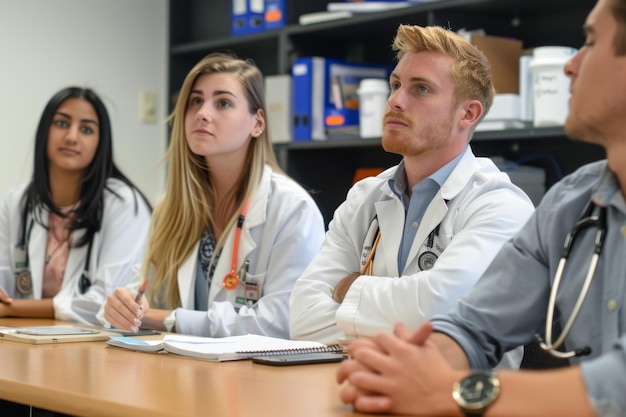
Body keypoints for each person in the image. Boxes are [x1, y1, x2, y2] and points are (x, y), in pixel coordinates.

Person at [336, 0, 626, 415]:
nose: (569, 65)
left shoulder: (501, 202)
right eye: (396, 84)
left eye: (591, 42)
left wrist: (454, 390)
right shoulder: (569, 204)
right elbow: (473, 325)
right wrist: (406, 373)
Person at [288, 24, 535, 367]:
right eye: (396, 85)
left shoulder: (499, 205)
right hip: (359, 393)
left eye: (420, 89)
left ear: (469, 113)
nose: (395, 101)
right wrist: (408, 314)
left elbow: (442, 308)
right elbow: (302, 317)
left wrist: (348, 289)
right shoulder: (364, 197)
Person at [102, 52, 325, 338]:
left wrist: (168, 319)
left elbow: (282, 322)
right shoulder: (171, 208)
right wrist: (122, 309)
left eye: (223, 103)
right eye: (196, 101)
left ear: (257, 123)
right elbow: (142, 298)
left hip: (256, 378)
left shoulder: (292, 209)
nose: (202, 113)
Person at [0, 87, 152, 325]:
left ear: (100, 142)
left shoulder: (123, 204)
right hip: (23, 336)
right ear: (45, 132)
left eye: (86, 129)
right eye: (61, 124)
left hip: (93, 346)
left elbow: (107, 303)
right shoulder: (17, 202)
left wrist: (11, 309)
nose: (71, 137)